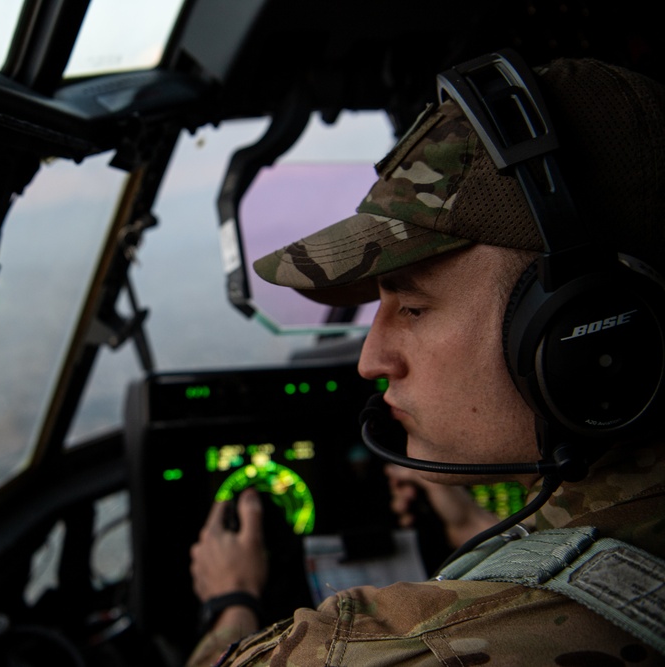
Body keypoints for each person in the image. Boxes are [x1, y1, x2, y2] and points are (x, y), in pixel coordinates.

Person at [187, 52, 665, 666]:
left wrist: (228, 604)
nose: (371, 359)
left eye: (411, 309)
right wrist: (471, 526)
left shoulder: (390, 651)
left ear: (586, 330)